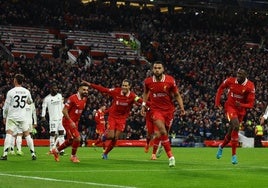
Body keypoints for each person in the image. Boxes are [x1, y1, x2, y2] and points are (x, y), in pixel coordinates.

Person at [82, 79, 143, 159]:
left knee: (116, 138)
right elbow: (103, 89)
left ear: (129, 86)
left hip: (122, 119)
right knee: (111, 136)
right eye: (123, 85)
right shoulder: (116, 91)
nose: (124, 87)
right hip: (113, 116)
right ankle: (103, 136)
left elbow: (141, 101)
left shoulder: (132, 96)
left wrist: (150, 106)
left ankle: (105, 154)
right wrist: (90, 84)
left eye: (126, 85)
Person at [141, 61, 186, 167]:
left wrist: (182, 108)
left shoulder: (170, 80)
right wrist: (143, 105)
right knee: (161, 130)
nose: (157, 69)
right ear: (152, 69)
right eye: (155, 68)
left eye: (159, 68)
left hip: (169, 111)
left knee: (165, 132)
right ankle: (171, 157)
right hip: (155, 110)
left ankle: (162, 144)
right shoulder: (148, 82)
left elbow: (177, 94)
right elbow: (145, 93)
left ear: (163, 69)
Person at [215, 68, 255, 164]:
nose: (238, 76)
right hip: (230, 107)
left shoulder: (250, 86)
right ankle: (234, 155)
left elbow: (251, 104)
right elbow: (220, 88)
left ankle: (221, 146)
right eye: (237, 74)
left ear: (245, 76)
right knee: (236, 126)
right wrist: (217, 102)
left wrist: (241, 105)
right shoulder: (230, 80)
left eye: (240, 75)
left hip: (240, 111)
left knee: (231, 131)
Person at [0, 74, 37, 160]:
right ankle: (33, 154)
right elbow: (30, 101)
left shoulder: (11, 92)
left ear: (15, 81)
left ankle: (5, 154)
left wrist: (4, 116)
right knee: (27, 134)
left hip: (12, 116)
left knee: (9, 134)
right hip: (23, 116)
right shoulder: (26, 91)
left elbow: (6, 106)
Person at [51, 83, 89, 163]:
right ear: (79, 89)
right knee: (78, 138)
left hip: (75, 122)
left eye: (87, 90)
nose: (86, 91)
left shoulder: (85, 99)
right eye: (84, 89)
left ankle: (56, 151)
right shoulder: (72, 98)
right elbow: (64, 111)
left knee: (71, 140)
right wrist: (71, 121)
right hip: (68, 122)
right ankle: (73, 156)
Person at [41, 83, 65, 155]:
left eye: (57, 88)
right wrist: (43, 116)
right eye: (54, 88)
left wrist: (64, 114)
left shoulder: (59, 96)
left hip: (61, 118)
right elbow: (44, 107)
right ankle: (51, 149)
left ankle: (61, 150)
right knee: (52, 134)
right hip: (53, 119)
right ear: (50, 89)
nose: (56, 89)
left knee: (61, 133)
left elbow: (62, 105)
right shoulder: (47, 98)